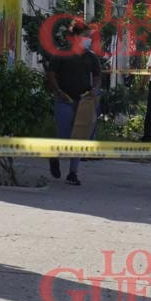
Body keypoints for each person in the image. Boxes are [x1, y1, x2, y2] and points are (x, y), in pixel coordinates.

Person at [46, 19, 102, 185]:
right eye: (85, 36)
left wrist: (94, 89)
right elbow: (51, 75)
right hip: (64, 99)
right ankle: (54, 156)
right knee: (64, 135)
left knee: (79, 137)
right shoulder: (61, 54)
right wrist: (58, 91)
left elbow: (97, 76)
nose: (88, 39)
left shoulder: (91, 57)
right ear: (75, 37)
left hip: (83, 100)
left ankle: (72, 173)